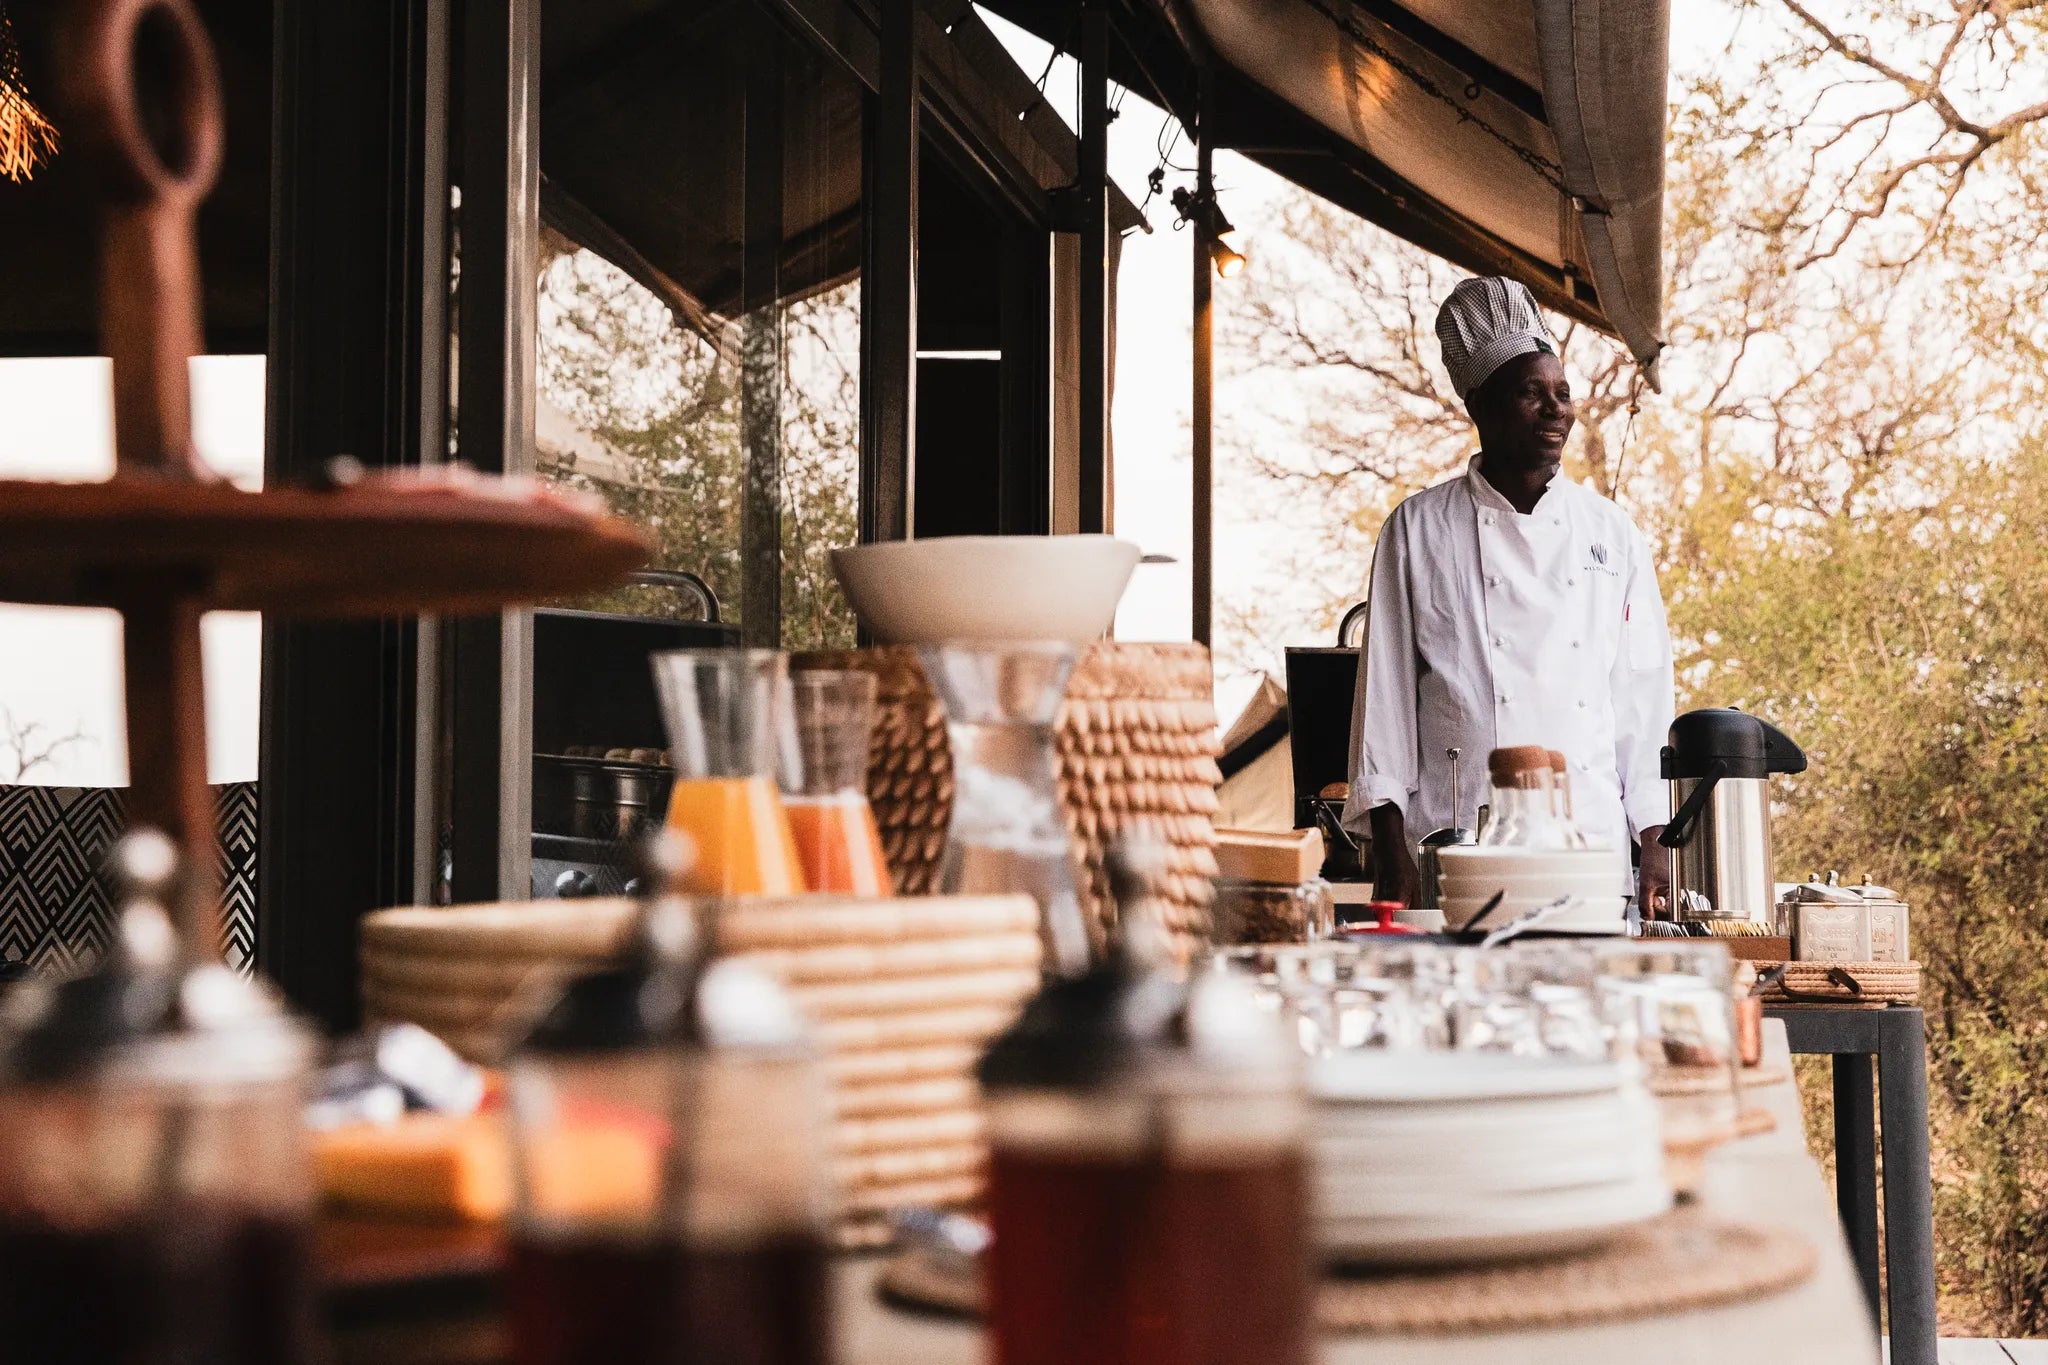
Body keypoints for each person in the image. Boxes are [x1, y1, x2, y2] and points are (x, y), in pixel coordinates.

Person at [1341, 276, 1675, 909]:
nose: (1557, 411)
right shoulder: (1417, 529)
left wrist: (1654, 839)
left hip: (1590, 850)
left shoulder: (1613, 534)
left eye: (1563, 393)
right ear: (1480, 408)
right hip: (1461, 844)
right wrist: (1390, 853)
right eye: (1531, 393)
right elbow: (1382, 703)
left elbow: (1641, 702)